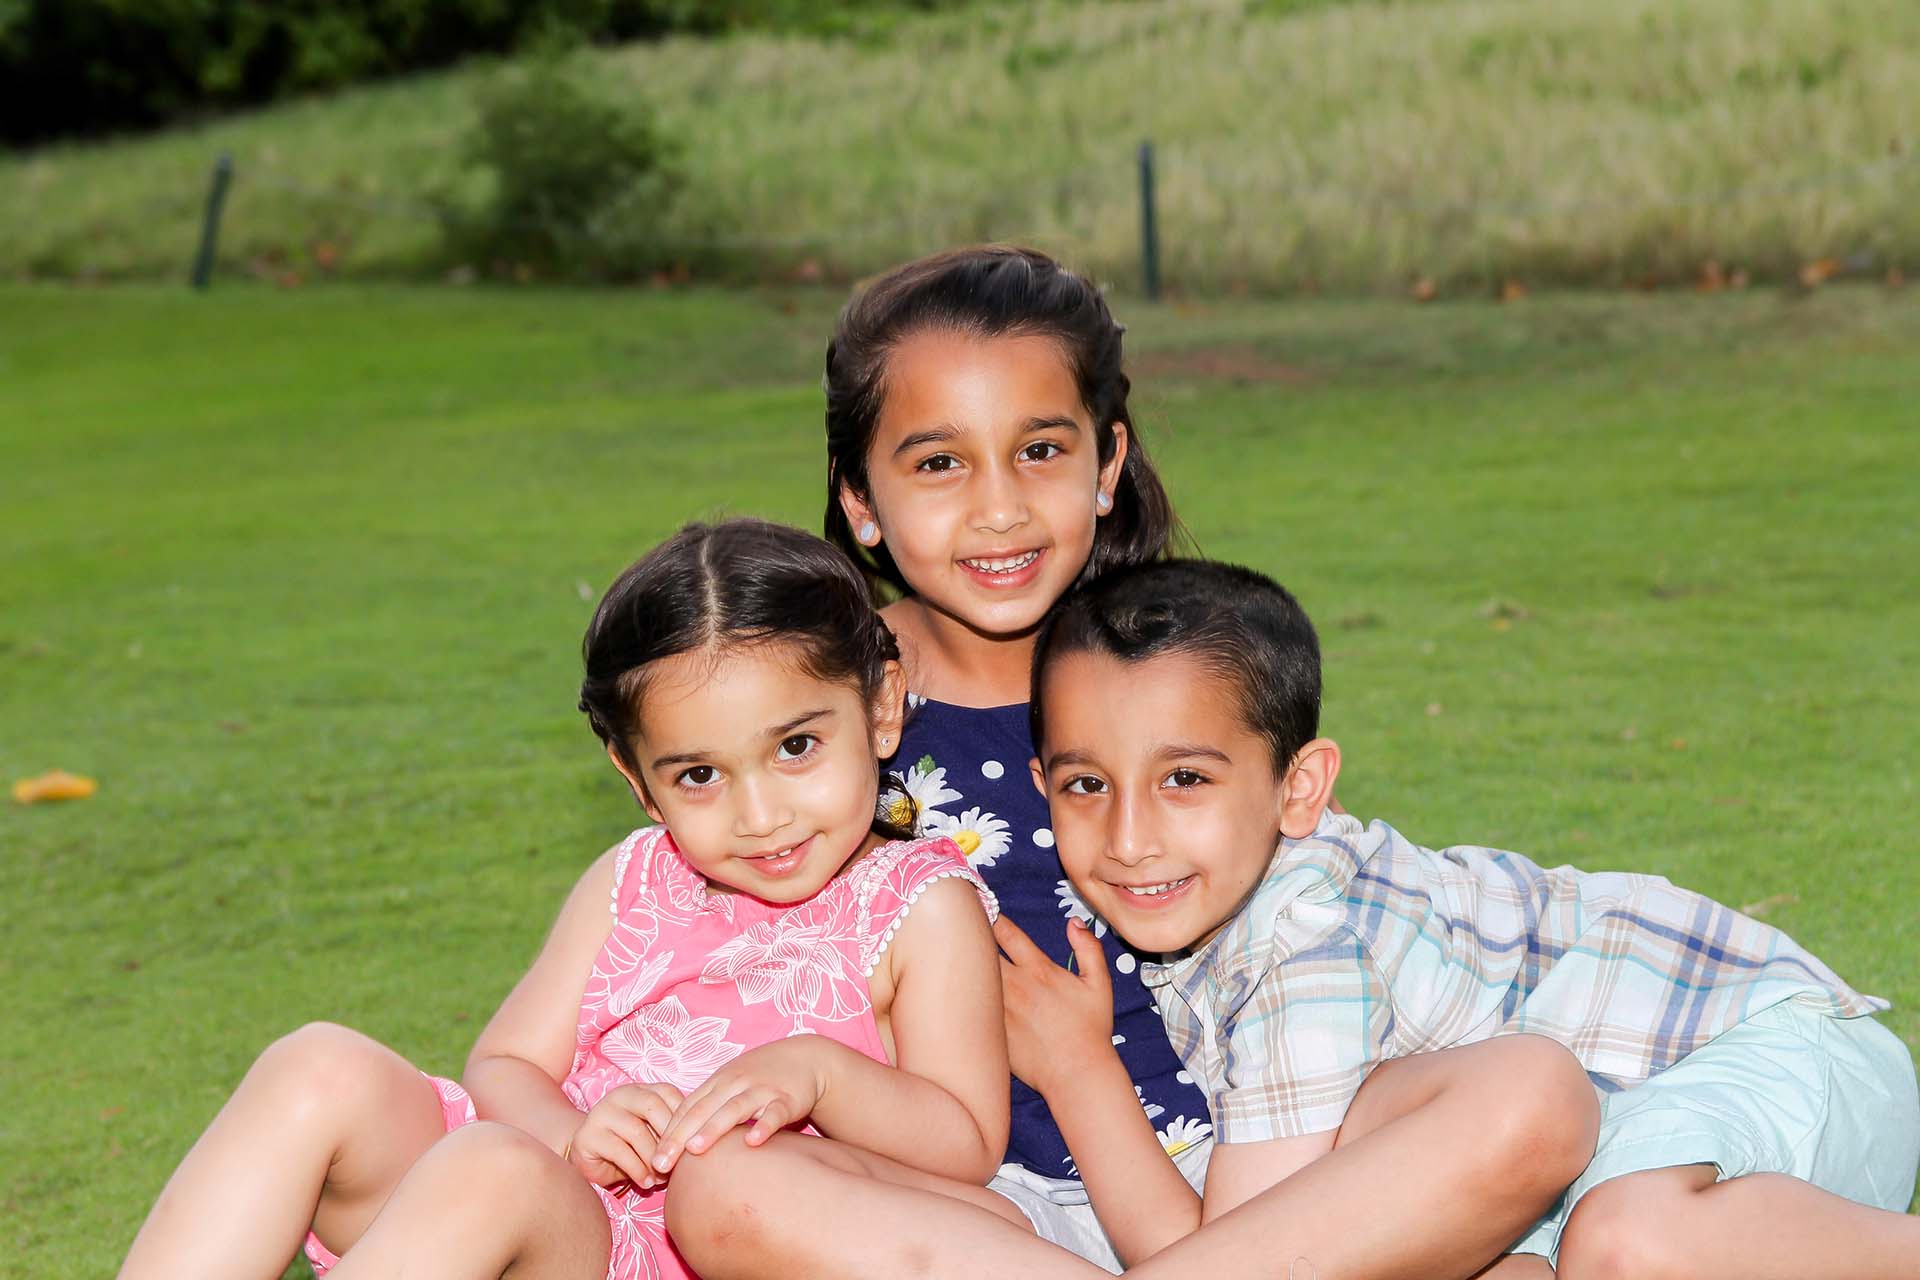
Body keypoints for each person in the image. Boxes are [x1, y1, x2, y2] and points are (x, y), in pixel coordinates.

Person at [117, 518, 1015, 1280]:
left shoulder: (918, 904)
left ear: (881, 707)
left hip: (691, 1245)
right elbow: (505, 1063)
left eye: (795, 748)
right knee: (320, 1066)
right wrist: (569, 1132)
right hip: (534, 1206)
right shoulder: (636, 878)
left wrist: (821, 1074)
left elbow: (967, 1142)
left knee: (491, 1167)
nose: (760, 814)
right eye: (699, 775)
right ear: (637, 779)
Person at [1026, 557, 1920, 1277]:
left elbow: (1240, 1260)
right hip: (1627, 1145)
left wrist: (1079, 1072)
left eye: (1185, 779)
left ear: (1299, 789)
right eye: (1087, 785)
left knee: (1627, 1248)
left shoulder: (1304, 946)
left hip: (1779, 1059)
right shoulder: (1235, 902)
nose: (1130, 839)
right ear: (1042, 788)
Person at [819, 243, 1212, 1264]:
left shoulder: (1192, 672)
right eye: (939, 462)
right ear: (861, 499)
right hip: (952, 1204)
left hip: (1203, 1161)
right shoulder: (809, 706)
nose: (999, 509)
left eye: (1039, 449)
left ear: (1106, 466)